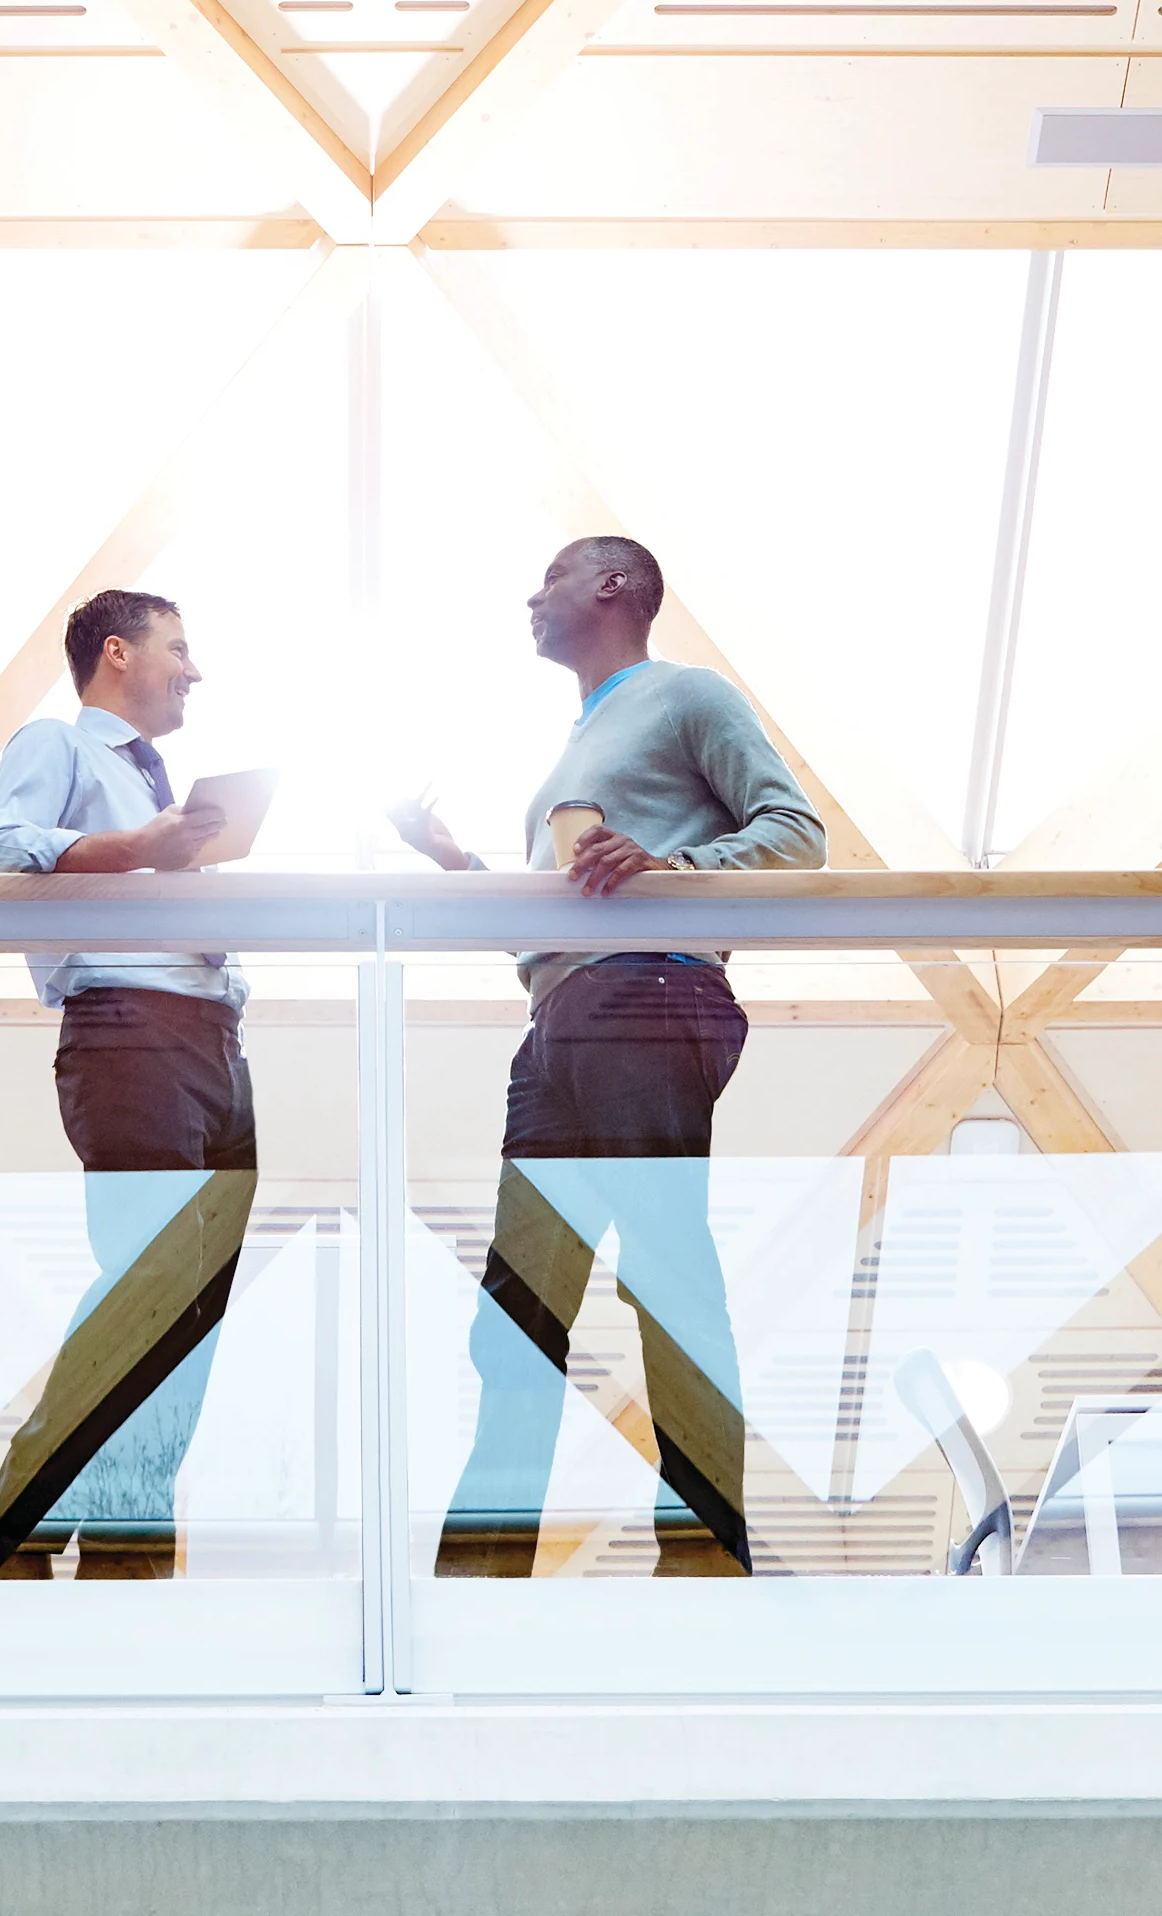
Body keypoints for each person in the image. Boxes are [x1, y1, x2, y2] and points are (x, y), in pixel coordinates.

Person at [390, 535, 820, 1574]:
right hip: (559, 1019)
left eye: (551, 576)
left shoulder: (686, 696)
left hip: (651, 992)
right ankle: (477, 1579)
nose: (530, 595)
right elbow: (556, 919)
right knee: (517, 1311)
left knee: (666, 1270)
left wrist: (674, 863)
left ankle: (708, 1555)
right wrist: (456, 861)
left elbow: (797, 833)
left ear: (614, 585)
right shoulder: (568, 754)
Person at [0, 588, 251, 1575]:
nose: (194, 667)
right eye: (180, 645)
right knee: (155, 1276)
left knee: (196, 1304)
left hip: (215, 1043)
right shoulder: (60, 746)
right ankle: (30, 1502)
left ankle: (126, 1546)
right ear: (118, 651)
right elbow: (1, 853)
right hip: (129, 1031)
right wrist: (143, 850)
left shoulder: (163, 781)